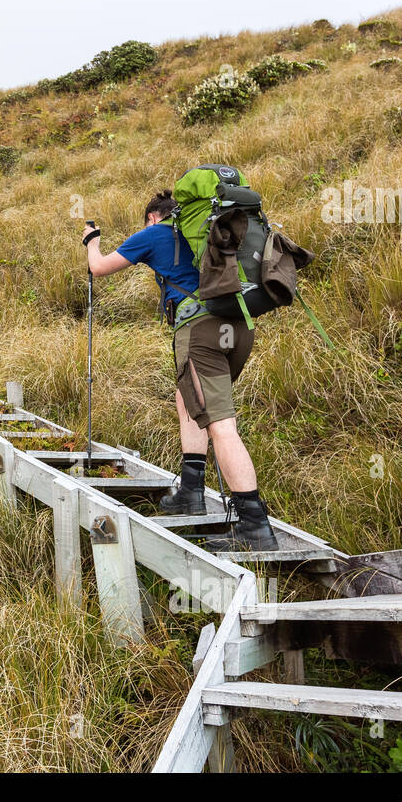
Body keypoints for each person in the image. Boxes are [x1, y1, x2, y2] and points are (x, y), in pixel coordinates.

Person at [80, 191, 277, 551]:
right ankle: (191, 491)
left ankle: (255, 527)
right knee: (187, 399)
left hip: (200, 330)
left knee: (221, 425)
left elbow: (99, 266)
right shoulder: (205, 231)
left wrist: (92, 241)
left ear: (153, 217)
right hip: (238, 328)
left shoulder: (156, 233)